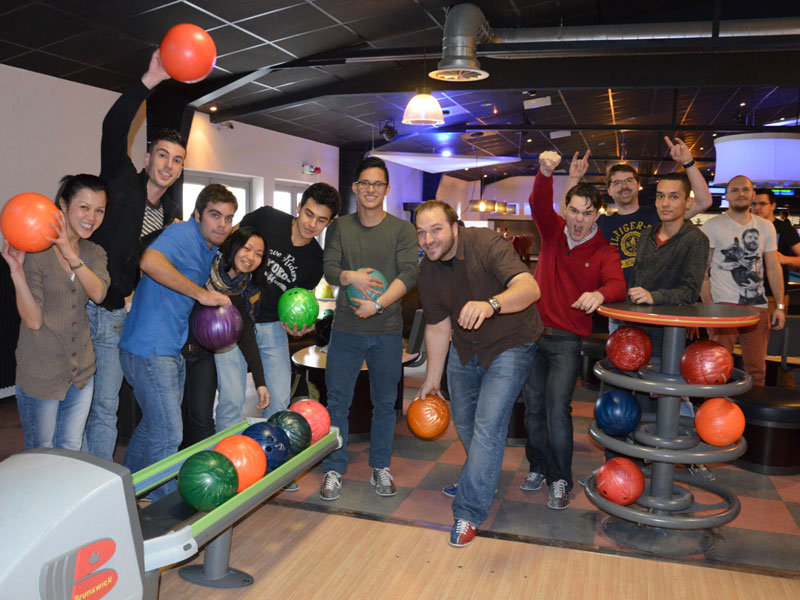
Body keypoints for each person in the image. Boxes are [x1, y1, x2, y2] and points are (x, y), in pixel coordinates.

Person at [414, 200, 541, 547]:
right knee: (465, 422)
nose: (429, 239)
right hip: (466, 346)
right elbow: (438, 327)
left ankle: (468, 511)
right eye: (422, 233)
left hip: (510, 342)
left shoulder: (486, 244)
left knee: (487, 426)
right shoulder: (427, 270)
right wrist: (431, 379)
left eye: (436, 229)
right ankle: (478, 477)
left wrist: (491, 304)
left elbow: (530, 289)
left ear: (455, 228)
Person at [83, 49, 186, 461]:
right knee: (97, 404)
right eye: (162, 155)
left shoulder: (168, 215)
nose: (168, 164)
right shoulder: (121, 181)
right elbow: (113, 126)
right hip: (91, 305)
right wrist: (150, 79)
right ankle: (97, 484)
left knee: (109, 405)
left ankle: (113, 478)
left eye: (177, 160)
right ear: (147, 159)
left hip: (118, 314)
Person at [521, 153, 626, 510]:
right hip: (533, 334)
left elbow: (617, 283)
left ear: (597, 215)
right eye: (574, 211)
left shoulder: (603, 251)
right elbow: (537, 202)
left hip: (567, 341)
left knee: (556, 408)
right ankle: (537, 466)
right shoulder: (551, 232)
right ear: (565, 209)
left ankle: (560, 478)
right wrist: (545, 172)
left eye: (587, 213)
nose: (579, 220)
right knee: (533, 407)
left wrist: (600, 293)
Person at [120, 184, 235, 499]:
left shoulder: (206, 246)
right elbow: (149, 263)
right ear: (197, 215)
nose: (221, 224)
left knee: (153, 426)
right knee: (170, 432)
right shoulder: (183, 235)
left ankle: (128, 491)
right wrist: (202, 294)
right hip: (150, 349)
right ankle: (163, 506)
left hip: (166, 348)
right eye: (214, 215)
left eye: (228, 217)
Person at [319, 157, 417, 502]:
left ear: (386, 189)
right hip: (345, 330)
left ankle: (381, 466)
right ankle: (334, 467)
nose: (371, 190)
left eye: (378, 184)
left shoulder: (403, 230)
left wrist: (376, 305)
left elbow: (408, 275)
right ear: (355, 187)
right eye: (365, 184)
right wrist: (351, 277)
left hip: (387, 331)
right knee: (338, 402)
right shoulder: (340, 228)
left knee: (385, 403)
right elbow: (330, 268)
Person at [213, 182, 340, 430]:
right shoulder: (267, 218)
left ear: (329, 223)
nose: (311, 224)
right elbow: (229, 245)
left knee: (280, 399)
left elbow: (298, 302)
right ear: (299, 207)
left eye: (321, 220)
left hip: (271, 325)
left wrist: (300, 326)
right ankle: (224, 459)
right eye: (309, 213)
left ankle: (270, 456)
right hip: (233, 316)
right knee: (231, 398)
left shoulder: (316, 261)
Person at [3, 175, 109, 450]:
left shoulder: (95, 253)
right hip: (41, 371)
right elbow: (33, 321)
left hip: (82, 372)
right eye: (84, 207)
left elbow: (98, 294)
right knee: (43, 451)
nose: (92, 218)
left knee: (71, 447)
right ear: (63, 205)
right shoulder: (37, 253)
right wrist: (16, 272)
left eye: (99, 210)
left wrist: (72, 255)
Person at [566, 140, 712, 287]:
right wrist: (573, 179)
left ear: (638, 185)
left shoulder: (661, 214)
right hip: (612, 298)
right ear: (609, 190)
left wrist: (688, 162)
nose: (624, 186)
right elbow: (566, 220)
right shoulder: (601, 223)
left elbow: (703, 202)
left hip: (654, 298)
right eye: (616, 183)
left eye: (629, 180)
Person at [181, 227, 269, 447]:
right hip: (177, 351)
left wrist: (260, 382)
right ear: (234, 246)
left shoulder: (243, 286)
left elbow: (245, 332)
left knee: (201, 418)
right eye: (247, 249)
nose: (251, 257)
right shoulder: (205, 267)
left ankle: (207, 470)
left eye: (258, 254)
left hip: (203, 356)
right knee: (177, 419)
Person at [701, 175, 785, 386]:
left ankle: (751, 417)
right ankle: (714, 413)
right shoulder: (713, 226)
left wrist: (780, 305)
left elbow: (773, 267)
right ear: (727, 195)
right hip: (724, 307)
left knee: (757, 371)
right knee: (716, 368)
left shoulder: (766, 227)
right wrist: (709, 307)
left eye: (745, 190)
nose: (741, 194)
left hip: (757, 306)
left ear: (752, 194)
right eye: (735, 190)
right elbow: (702, 271)